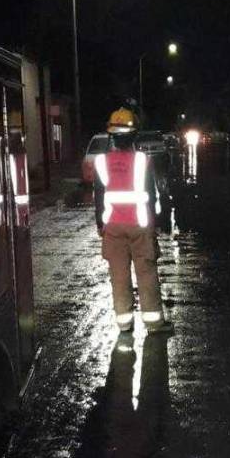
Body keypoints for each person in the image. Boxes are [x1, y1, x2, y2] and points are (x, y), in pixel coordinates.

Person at [93, 128, 173, 334]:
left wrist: (100, 224)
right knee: (146, 273)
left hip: (112, 227)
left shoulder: (102, 162)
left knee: (118, 276)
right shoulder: (142, 161)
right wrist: (159, 221)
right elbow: (151, 193)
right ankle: (154, 323)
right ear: (133, 137)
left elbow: (99, 196)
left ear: (112, 137)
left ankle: (124, 323)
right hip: (139, 225)